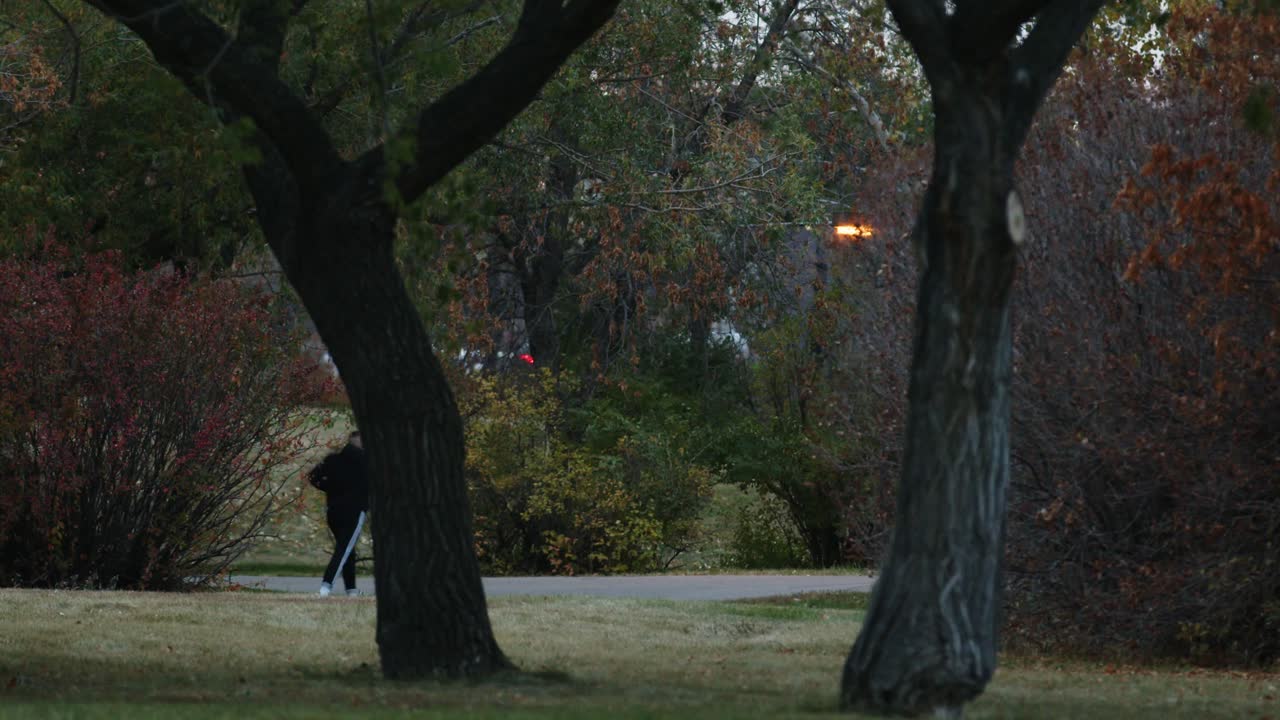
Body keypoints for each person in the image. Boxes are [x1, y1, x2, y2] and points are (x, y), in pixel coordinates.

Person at [307, 431, 369, 597]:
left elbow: (313, 477)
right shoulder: (367, 462)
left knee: (348, 549)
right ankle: (326, 587)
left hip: (333, 511)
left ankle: (351, 590)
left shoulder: (333, 460)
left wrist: (330, 488)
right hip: (354, 511)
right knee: (344, 548)